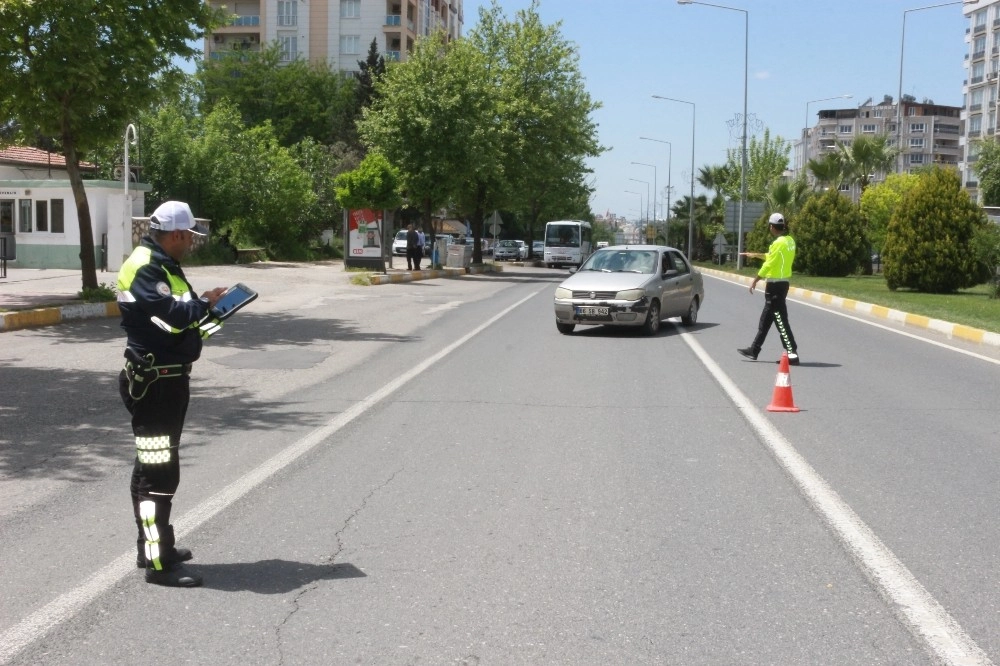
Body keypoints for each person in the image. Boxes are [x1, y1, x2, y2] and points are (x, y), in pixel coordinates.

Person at [117, 200, 227, 587]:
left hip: (167, 379)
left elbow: (187, 333)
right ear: (178, 234)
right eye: (191, 238)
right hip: (156, 384)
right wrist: (203, 305)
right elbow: (171, 316)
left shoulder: (165, 266)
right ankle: (158, 563)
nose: (193, 244)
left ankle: (152, 548)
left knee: (152, 468)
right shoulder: (147, 266)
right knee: (158, 475)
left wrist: (216, 315)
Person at [737, 212, 799, 365]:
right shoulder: (789, 241)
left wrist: (755, 280)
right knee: (766, 320)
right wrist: (755, 255)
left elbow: (769, 263)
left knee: (780, 321)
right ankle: (754, 350)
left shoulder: (777, 243)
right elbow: (772, 257)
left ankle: (792, 355)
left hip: (774, 287)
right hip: (782, 284)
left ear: (771, 227)